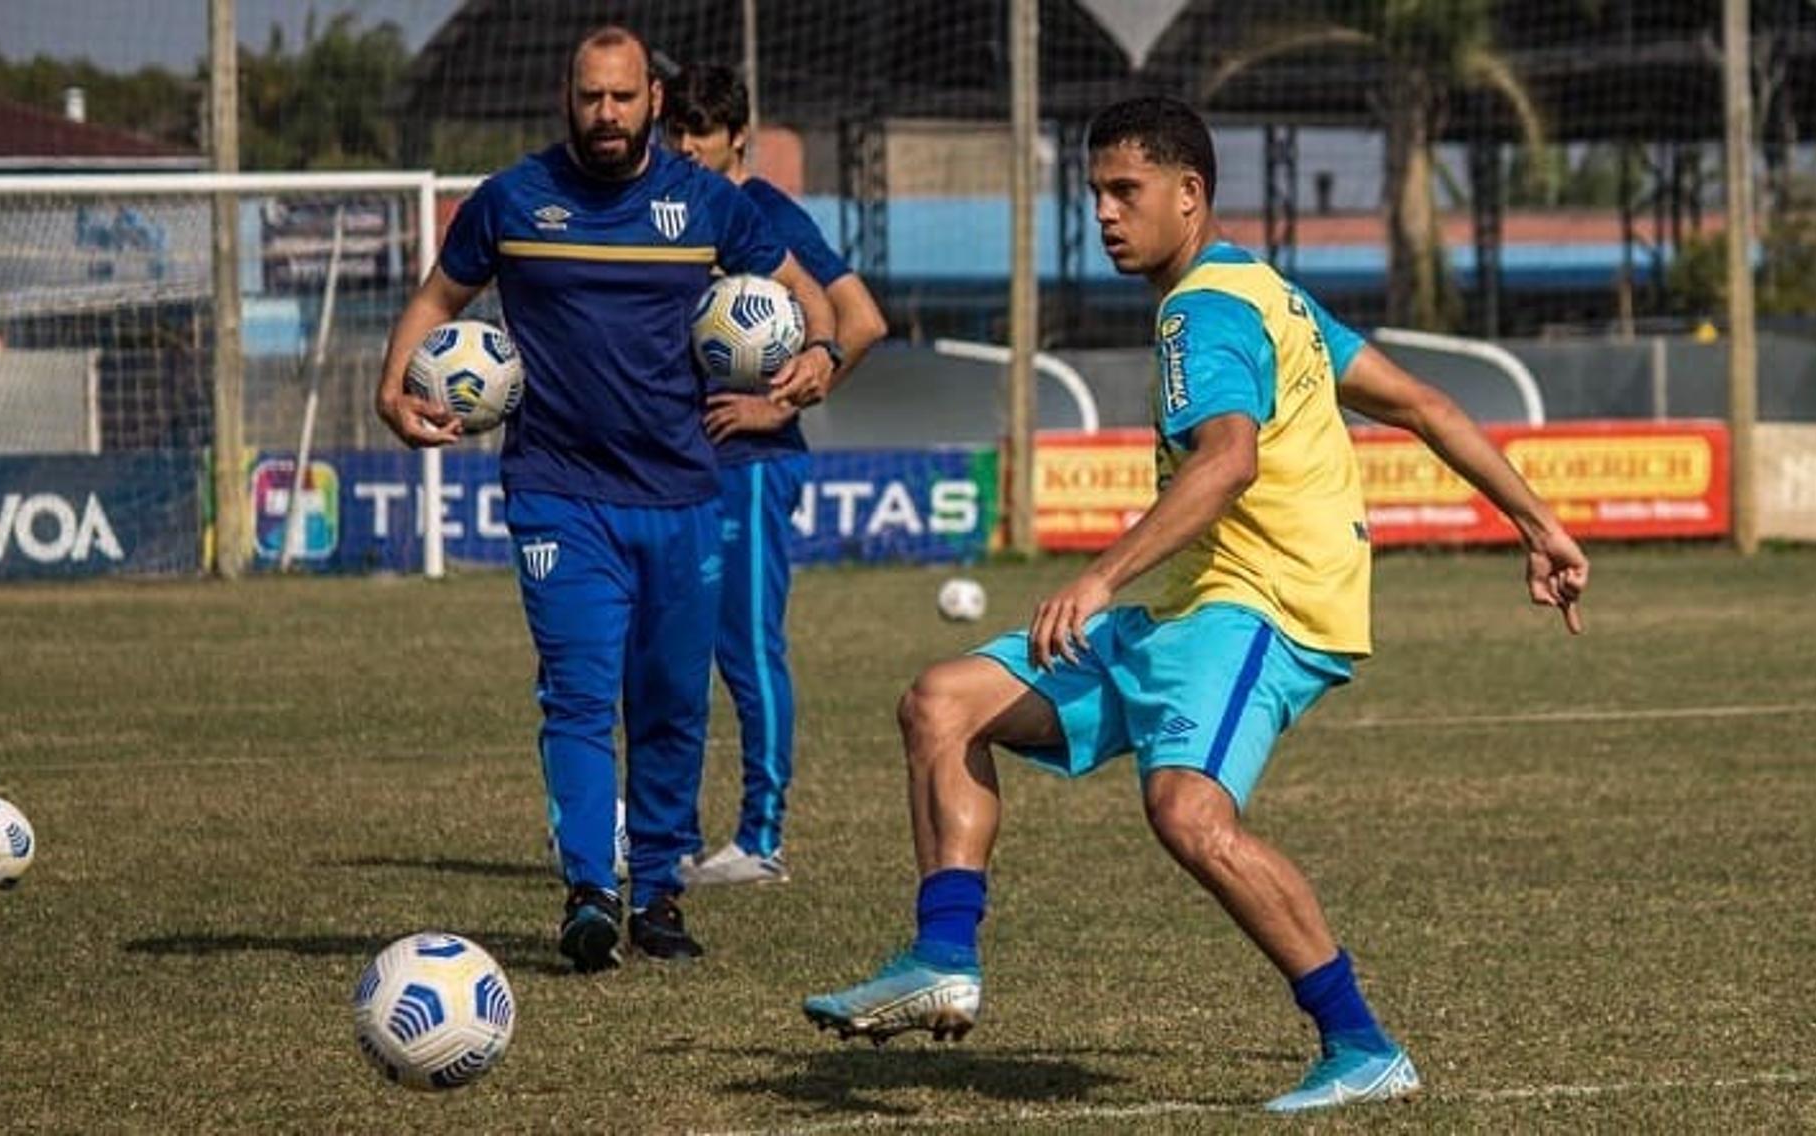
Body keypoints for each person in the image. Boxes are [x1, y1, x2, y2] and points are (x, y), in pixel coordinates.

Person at [801, 96, 1589, 1114]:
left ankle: (1363, 1043)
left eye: (1126, 192)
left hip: (1260, 601)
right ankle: (943, 953)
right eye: (1094, 193)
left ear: (1191, 194)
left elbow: (1227, 458)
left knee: (1189, 813)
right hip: (1188, 600)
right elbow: (1425, 403)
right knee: (944, 702)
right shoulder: (1269, 293)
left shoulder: (1203, 311)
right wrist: (1540, 523)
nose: (1106, 214)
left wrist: (1098, 574)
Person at [374, 25, 842, 973]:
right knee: (581, 696)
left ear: (653, 103)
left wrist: (816, 355)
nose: (607, 116)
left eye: (624, 98)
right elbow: (436, 303)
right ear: (567, 97)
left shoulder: (710, 203)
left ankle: (658, 894)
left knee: (670, 701)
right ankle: (591, 890)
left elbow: (811, 298)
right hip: (559, 492)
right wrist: (393, 388)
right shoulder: (511, 201)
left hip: (682, 492)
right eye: (591, 98)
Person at [660, 63, 889, 888]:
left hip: (750, 464)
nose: (684, 145)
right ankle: (666, 836)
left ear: (737, 137)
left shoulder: (765, 212)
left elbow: (861, 321)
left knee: (746, 650)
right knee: (666, 652)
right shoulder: (665, 208)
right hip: (673, 464)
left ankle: (761, 839)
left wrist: (778, 407)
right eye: (674, 130)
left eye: (701, 132)